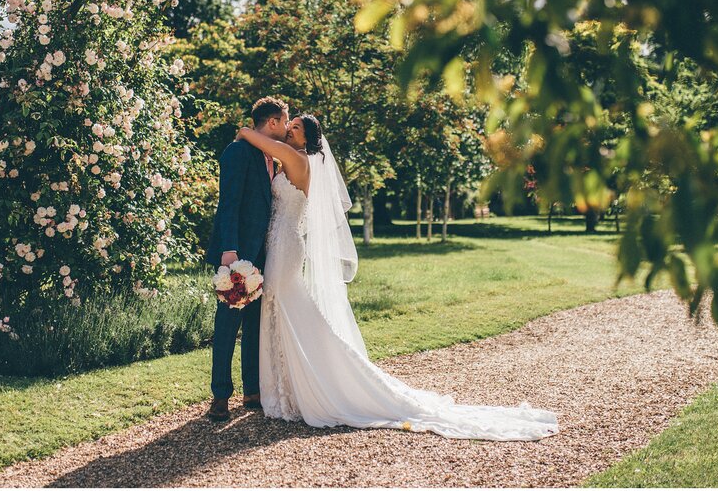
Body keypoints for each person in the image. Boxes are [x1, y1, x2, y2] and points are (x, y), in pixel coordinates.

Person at [234, 114, 560, 440]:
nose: (290, 132)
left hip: (285, 244)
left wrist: (245, 130)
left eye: (295, 129)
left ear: (307, 140)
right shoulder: (292, 156)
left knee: (283, 306)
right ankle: (282, 389)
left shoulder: (295, 157)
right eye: (290, 128)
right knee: (281, 309)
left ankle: (302, 388)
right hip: (281, 242)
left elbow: (261, 141)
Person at [204, 96, 288, 422]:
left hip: (266, 255)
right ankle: (220, 395)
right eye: (284, 121)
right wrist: (229, 251)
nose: (286, 126)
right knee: (227, 325)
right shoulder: (238, 152)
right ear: (271, 123)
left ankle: (252, 389)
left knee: (255, 324)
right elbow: (229, 204)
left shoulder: (273, 159)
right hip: (237, 254)